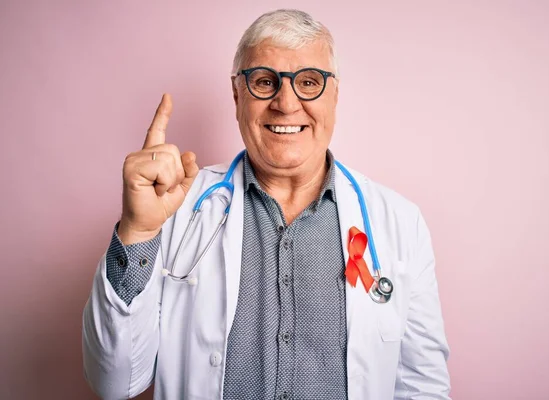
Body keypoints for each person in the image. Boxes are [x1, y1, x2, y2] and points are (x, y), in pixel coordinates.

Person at [82, 9, 451, 400]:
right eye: (264, 81)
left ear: (335, 95)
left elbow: (421, 387)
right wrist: (138, 232)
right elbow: (114, 383)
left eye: (309, 81)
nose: (286, 103)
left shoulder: (400, 222)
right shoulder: (173, 210)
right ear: (237, 94)